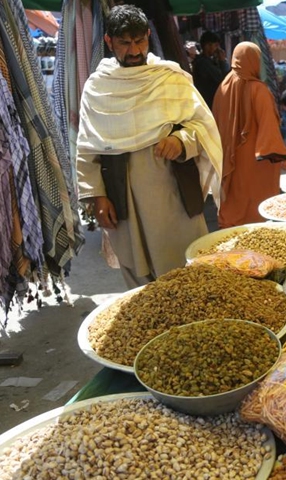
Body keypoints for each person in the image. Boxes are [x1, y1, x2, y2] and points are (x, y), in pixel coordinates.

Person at [76, 5, 222, 288]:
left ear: (147, 36)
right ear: (109, 42)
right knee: (140, 283)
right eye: (125, 43)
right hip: (124, 199)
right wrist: (97, 196)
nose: (134, 51)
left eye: (139, 41)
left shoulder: (170, 78)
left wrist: (181, 142)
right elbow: (86, 148)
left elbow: (204, 127)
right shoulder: (97, 87)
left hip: (173, 196)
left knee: (189, 275)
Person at [212, 42, 286, 229]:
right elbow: (268, 124)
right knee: (257, 202)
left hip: (230, 155)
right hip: (257, 159)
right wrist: (279, 154)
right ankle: (256, 233)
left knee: (235, 196)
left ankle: (231, 231)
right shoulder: (258, 89)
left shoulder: (223, 85)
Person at [192, 31, 229, 109]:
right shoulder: (203, 63)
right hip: (209, 103)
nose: (217, 49)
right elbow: (223, 79)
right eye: (215, 46)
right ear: (207, 46)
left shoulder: (207, 61)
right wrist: (222, 61)